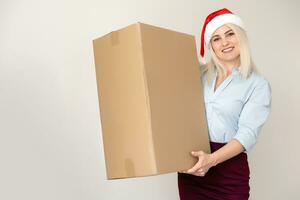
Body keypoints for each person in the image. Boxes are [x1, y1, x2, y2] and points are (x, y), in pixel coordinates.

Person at [178, 8, 272, 200]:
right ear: (210, 45)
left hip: (228, 174)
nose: (225, 43)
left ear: (240, 37)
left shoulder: (258, 84)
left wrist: (211, 160)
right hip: (193, 168)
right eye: (216, 38)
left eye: (230, 34)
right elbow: (176, 109)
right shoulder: (198, 74)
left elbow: (247, 134)